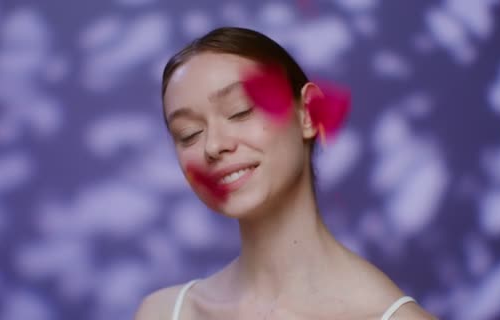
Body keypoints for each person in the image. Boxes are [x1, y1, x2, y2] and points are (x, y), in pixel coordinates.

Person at [135, 27, 436, 320]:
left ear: (307, 112)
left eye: (240, 111)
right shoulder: (163, 313)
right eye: (189, 134)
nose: (213, 145)